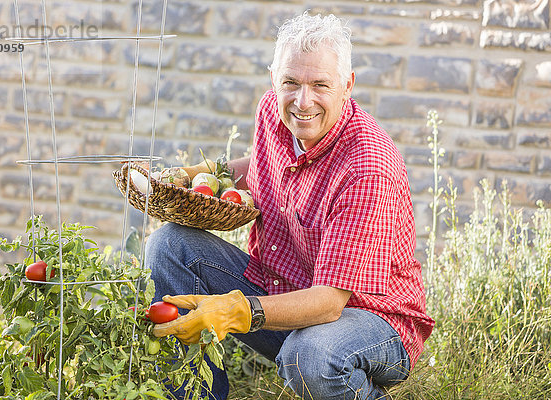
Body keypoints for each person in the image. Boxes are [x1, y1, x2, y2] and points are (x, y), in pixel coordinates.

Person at [145, 11, 434, 400]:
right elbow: (268, 166)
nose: (303, 101)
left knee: (308, 357)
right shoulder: (272, 112)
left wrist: (237, 311)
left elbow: (329, 303)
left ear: (347, 85)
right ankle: (191, 395)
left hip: (370, 320)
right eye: (290, 82)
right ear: (273, 79)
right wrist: (205, 174)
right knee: (169, 247)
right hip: (283, 289)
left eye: (320, 85)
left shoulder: (367, 166)